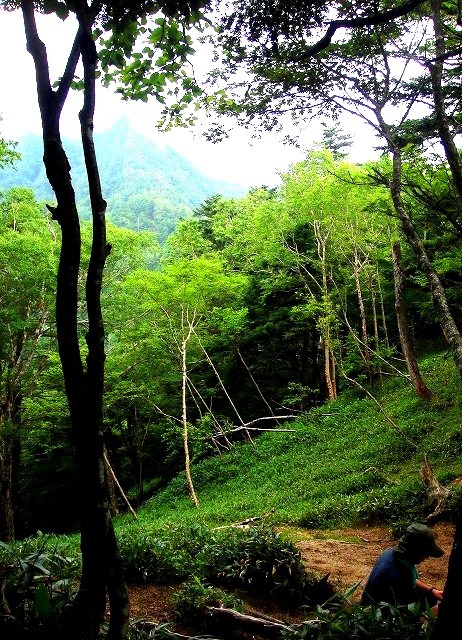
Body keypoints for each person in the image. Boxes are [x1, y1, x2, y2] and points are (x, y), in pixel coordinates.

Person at [361, 523, 444, 616]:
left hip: (389, 603)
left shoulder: (392, 555)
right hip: (378, 618)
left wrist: (431, 591)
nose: (427, 558)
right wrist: (438, 610)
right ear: (415, 552)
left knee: (430, 597)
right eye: (426, 554)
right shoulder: (397, 577)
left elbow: (412, 580)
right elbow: (409, 621)